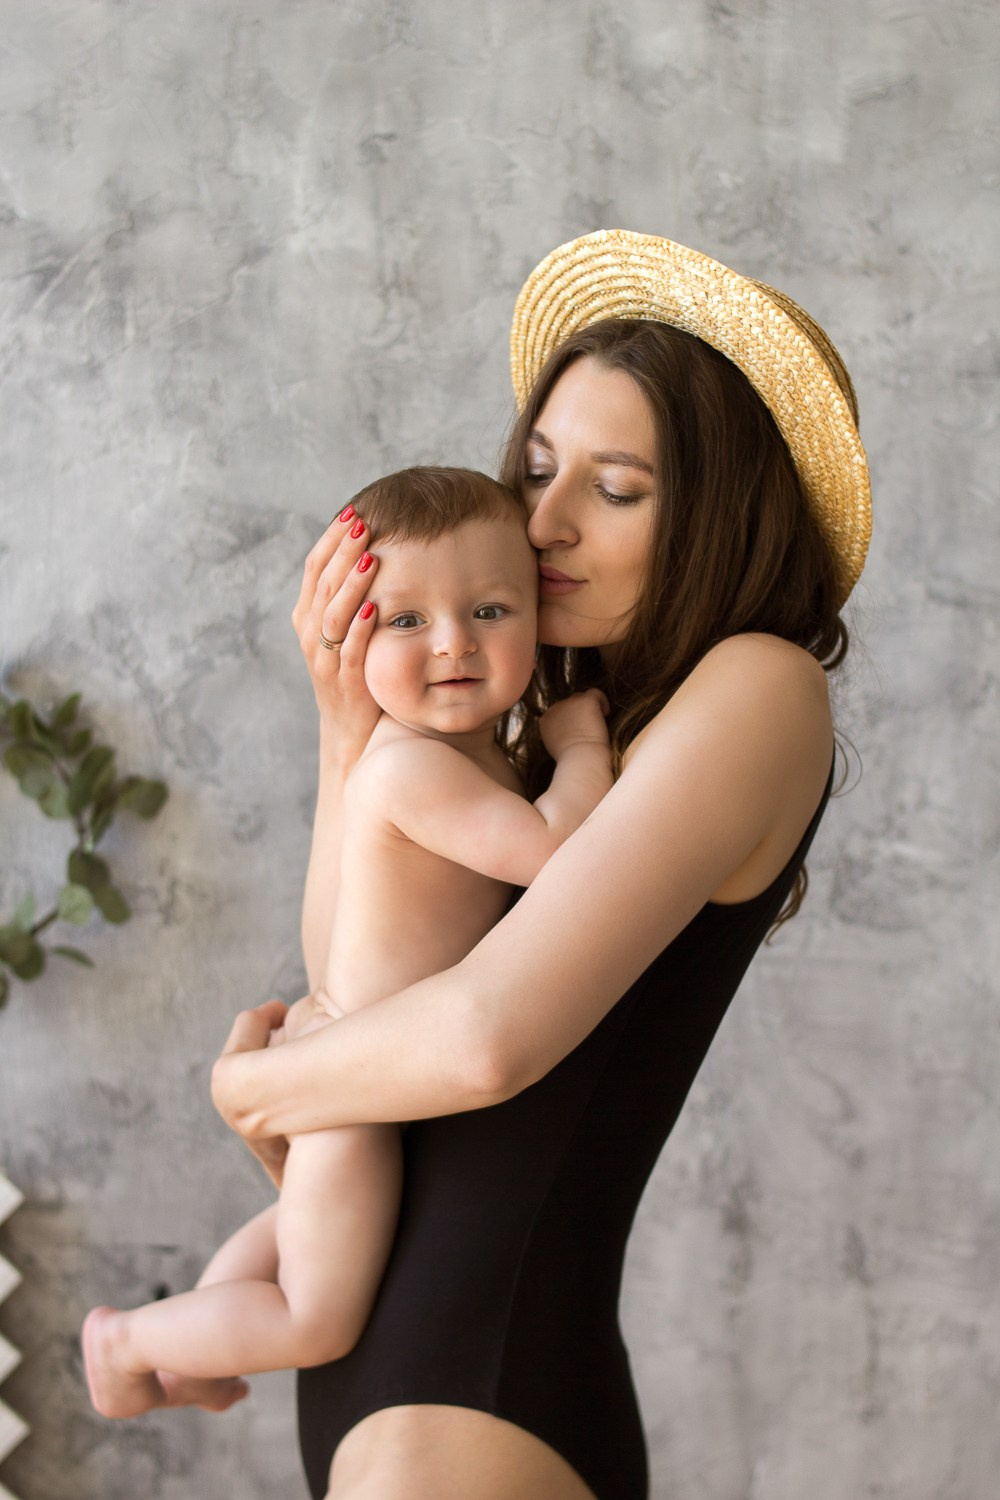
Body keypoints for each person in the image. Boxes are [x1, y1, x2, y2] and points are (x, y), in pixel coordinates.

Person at [209, 230, 873, 1500]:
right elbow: (353, 968)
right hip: (397, 1384)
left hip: (476, 1404)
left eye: (616, 490)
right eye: (536, 470)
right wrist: (347, 730)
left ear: (722, 516)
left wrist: (259, 1090)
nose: (545, 523)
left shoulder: (756, 687)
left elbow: (474, 1045)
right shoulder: (567, 722)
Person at [81, 466, 613, 1421]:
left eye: (491, 608)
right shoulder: (407, 766)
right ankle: (127, 1342)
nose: (453, 643)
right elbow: (551, 852)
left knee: (305, 1226)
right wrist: (582, 751)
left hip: (360, 1057)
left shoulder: (464, 749)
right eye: (405, 620)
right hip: (354, 1080)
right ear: (351, 633)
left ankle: (199, 1333)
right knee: (313, 1315)